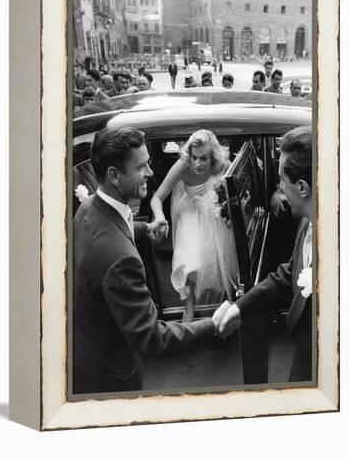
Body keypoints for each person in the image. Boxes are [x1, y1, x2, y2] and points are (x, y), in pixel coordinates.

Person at [73, 127, 222, 394]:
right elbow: (152, 338)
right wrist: (213, 324)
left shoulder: (89, 207)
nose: (151, 173)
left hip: (89, 349)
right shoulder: (121, 260)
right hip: (111, 377)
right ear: (114, 175)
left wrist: (145, 229)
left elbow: (117, 228)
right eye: (142, 167)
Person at [215, 126, 313, 382]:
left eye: (282, 180)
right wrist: (240, 307)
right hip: (305, 358)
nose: (279, 187)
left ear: (302, 187)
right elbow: (291, 272)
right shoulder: (307, 223)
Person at [151, 130, 240, 322]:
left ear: (213, 157)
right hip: (188, 208)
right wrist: (160, 216)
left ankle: (226, 302)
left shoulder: (223, 165)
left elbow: (238, 185)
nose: (198, 164)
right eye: (194, 157)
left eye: (204, 159)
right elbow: (157, 197)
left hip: (212, 210)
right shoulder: (183, 166)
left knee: (217, 258)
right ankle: (189, 304)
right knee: (189, 259)